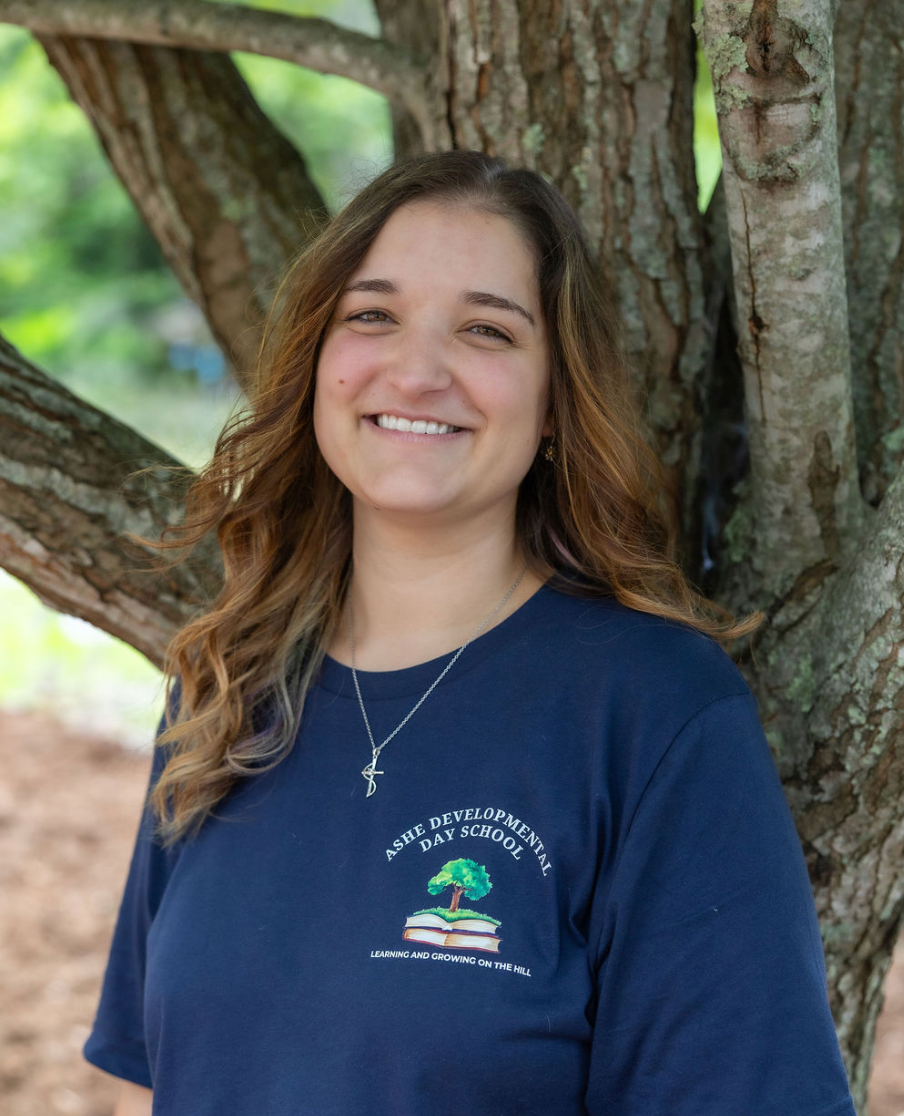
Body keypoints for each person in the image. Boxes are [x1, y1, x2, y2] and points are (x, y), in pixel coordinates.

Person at [84, 151, 856, 1116]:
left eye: (486, 330)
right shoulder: (222, 685)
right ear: (317, 363)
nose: (417, 370)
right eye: (372, 315)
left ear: (552, 406)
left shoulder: (654, 712)